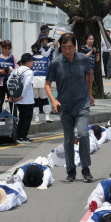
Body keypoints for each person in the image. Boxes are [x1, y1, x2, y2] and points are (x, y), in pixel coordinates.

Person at [45, 33, 94, 182]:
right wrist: (53, 100)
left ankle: (85, 169)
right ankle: (71, 171)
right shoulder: (56, 63)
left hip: (82, 104)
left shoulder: (84, 59)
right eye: (64, 47)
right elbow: (47, 84)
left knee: (83, 134)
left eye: (70, 47)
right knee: (68, 139)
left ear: (75, 46)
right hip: (65, 106)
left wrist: (90, 94)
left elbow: (90, 75)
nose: (67, 51)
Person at [7, 53, 35, 144]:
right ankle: (23, 137)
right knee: (27, 118)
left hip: (16, 99)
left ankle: (19, 136)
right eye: (32, 60)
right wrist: (22, 96)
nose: (33, 62)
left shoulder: (16, 70)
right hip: (26, 99)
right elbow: (27, 84)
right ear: (27, 62)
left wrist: (12, 95)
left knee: (21, 117)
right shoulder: (29, 72)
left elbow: (8, 82)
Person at [31, 43, 53, 123]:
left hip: (33, 81)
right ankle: (47, 116)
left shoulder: (31, 59)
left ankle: (36, 117)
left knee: (35, 99)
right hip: (43, 81)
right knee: (44, 99)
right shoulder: (46, 59)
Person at [0, 40, 17, 111]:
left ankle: (14, 118)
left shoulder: (13, 58)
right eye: (5, 48)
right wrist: (1, 71)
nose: (7, 50)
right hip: (0, 83)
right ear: (2, 48)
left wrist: (11, 71)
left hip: (11, 83)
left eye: (9, 48)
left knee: (12, 101)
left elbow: (17, 69)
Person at [79, 34, 99, 107]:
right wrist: (91, 51)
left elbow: (97, 60)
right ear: (86, 40)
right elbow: (84, 57)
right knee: (84, 85)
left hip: (91, 69)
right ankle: (87, 100)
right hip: (84, 70)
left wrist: (97, 54)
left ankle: (90, 99)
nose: (91, 40)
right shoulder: (83, 48)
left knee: (90, 86)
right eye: (90, 39)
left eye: (92, 39)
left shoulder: (94, 48)